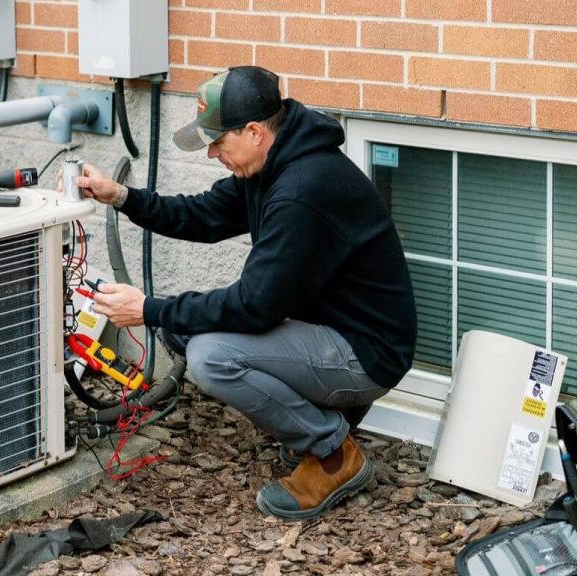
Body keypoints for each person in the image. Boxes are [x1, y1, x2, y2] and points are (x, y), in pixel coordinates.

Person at [73, 66, 417, 520]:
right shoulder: (273, 163)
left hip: (366, 352)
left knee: (210, 356)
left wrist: (149, 309)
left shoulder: (300, 190)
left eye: (218, 142)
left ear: (254, 131)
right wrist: (121, 196)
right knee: (187, 330)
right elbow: (203, 215)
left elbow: (254, 306)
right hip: (330, 329)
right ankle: (330, 421)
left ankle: (334, 454)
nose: (214, 153)